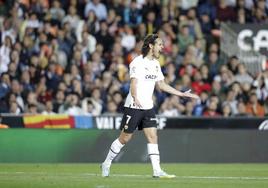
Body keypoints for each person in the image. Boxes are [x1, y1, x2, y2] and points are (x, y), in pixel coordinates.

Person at [101, 34, 199, 178]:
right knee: (125, 138)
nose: (162, 47)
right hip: (134, 106)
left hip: (148, 107)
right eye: (159, 44)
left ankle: (156, 170)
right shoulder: (137, 62)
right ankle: (106, 163)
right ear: (151, 46)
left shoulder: (156, 64)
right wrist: (134, 96)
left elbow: (161, 85)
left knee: (153, 137)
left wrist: (181, 94)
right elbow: (133, 83)